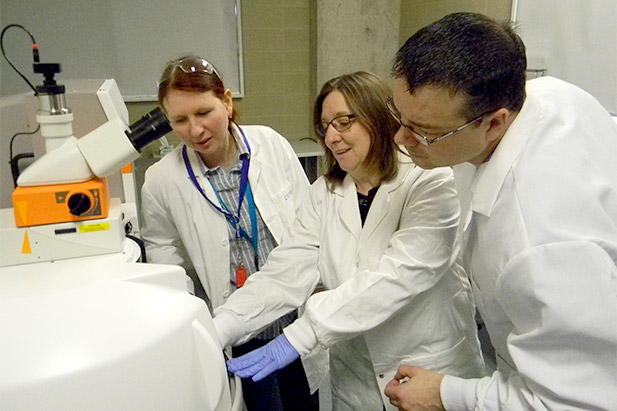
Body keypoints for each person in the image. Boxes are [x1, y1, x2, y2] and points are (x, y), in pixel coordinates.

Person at [384, 12, 617, 411]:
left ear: (494, 122)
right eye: (398, 116)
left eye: (425, 132)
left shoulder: (539, 244)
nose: (401, 138)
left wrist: (446, 394)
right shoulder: (550, 94)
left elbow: (580, 402)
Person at [212, 71, 486, 410]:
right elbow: (285, 271)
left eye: (343, 122)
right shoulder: (324, 194)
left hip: (428, 368)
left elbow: (401, 274)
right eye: (325, 127)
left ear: (377, 117)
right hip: (356, 380)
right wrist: (222, 326)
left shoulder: (428, 180)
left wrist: (302, 334)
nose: (331, 137)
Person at [140, 55, 318, 411]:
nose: (195, 130)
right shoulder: (161, 180)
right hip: (234, 332)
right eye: (180, 120)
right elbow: (167, 262)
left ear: (227, 101)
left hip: (295, 324)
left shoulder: (269, 144)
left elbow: (309, 223)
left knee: (306, 403)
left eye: (204, 112)